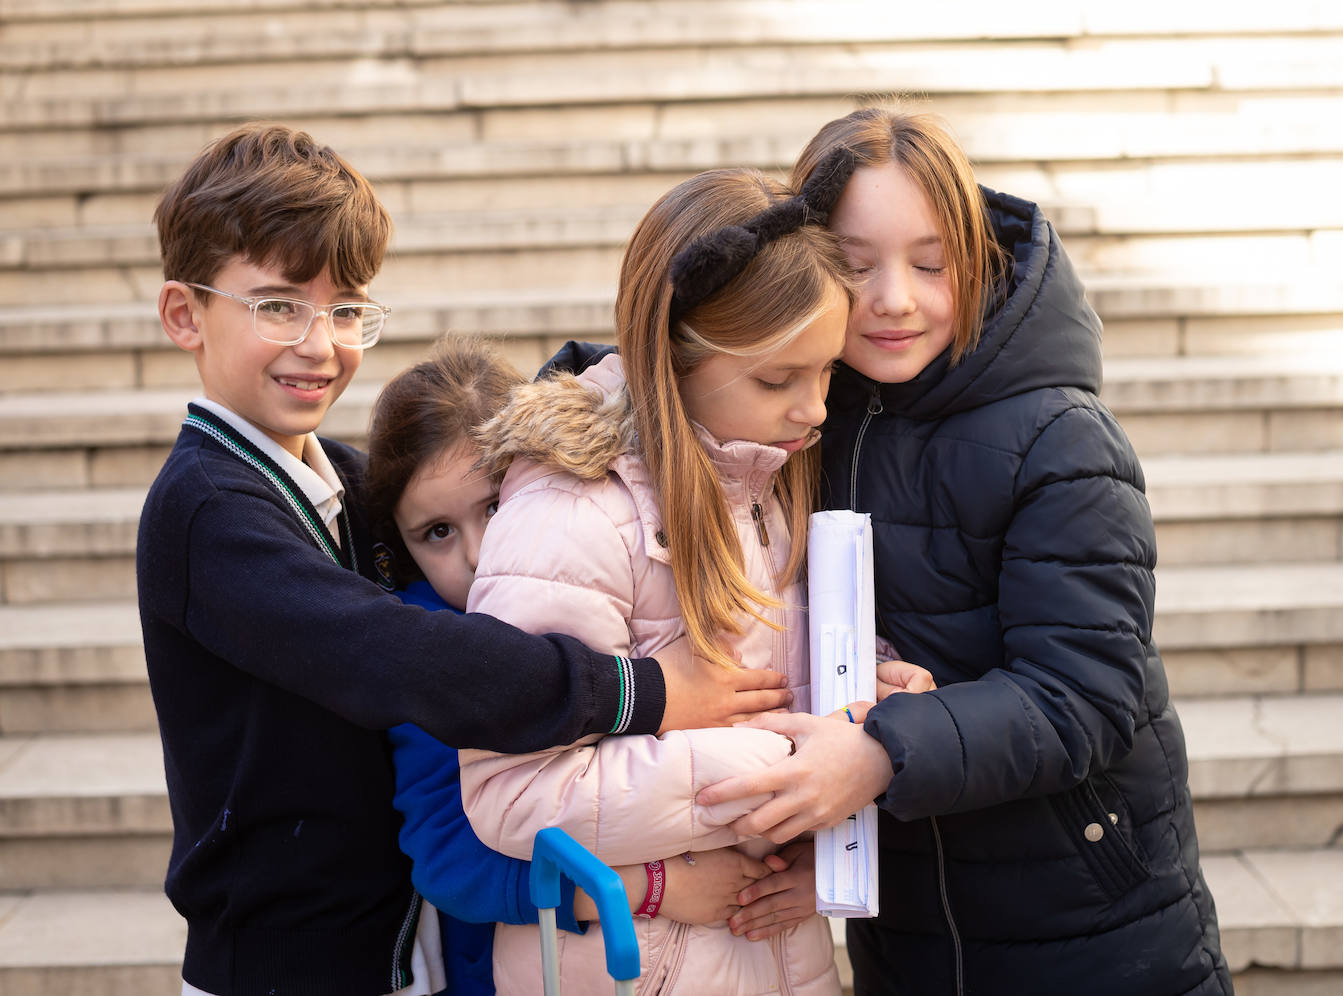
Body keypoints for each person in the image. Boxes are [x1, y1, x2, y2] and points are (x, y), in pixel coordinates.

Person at [136, 123, 792, 996]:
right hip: (283, 967)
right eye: (278, 305)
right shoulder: (208, 509)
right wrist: (643, 689)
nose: (320, 343)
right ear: (186, 314)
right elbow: (396, 655)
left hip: (398, 951)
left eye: (344, 308)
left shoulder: (351, 488)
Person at [698, 107, 1234, 996]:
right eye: (853, 266)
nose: (894, 298)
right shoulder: (809, 419)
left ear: (976, 260)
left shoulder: (1061, 438)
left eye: (930, 263)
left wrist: (879, 753)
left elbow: (1084, 695)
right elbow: (679, 357)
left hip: (1088, 925)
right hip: (909, 926)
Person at [455, 159, 862, 995]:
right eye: (777, 379)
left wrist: (868, 693)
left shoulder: (764, 477)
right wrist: (769, 766)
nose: (815, 408)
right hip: (631, 963)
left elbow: (763, 676)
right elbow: (509, 792)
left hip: (772, 954)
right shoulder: (572, 515)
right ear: (673, 359)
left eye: (827, 372)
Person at [364, 334, 783, 995]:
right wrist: (647, 887)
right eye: (437, 532)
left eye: (496, 508)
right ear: (403, 547)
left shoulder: (588, 570)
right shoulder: (431, 652)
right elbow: (449, 855)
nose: (478, 554)